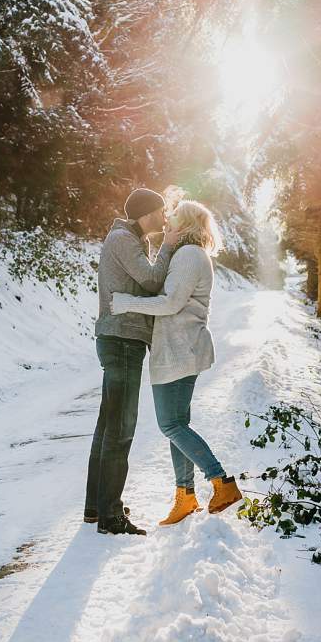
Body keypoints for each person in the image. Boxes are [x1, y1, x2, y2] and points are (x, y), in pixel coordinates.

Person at [111, 199, 241, 527]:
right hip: (178, 349)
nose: (166, 222)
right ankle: (186, 496)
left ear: (184, 226)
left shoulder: (188, 255)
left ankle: (222, 483)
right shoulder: (190, 254)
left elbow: (170, 303)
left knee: (170, 424)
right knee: (177, 425)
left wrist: (126, 303)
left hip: (179, 350)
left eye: (173, 219)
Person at [86, 187, 180, 536]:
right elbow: (153, 280)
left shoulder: (129, 239)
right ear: (146, 213)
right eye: (160, 211)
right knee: (121, 429)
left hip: (120, 339)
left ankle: (96, 507)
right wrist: (169, 244)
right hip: (122, 341)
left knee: (108, 427)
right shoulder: (124, 240)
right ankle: (110, 516)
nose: (165, 217)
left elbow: (145, 283)